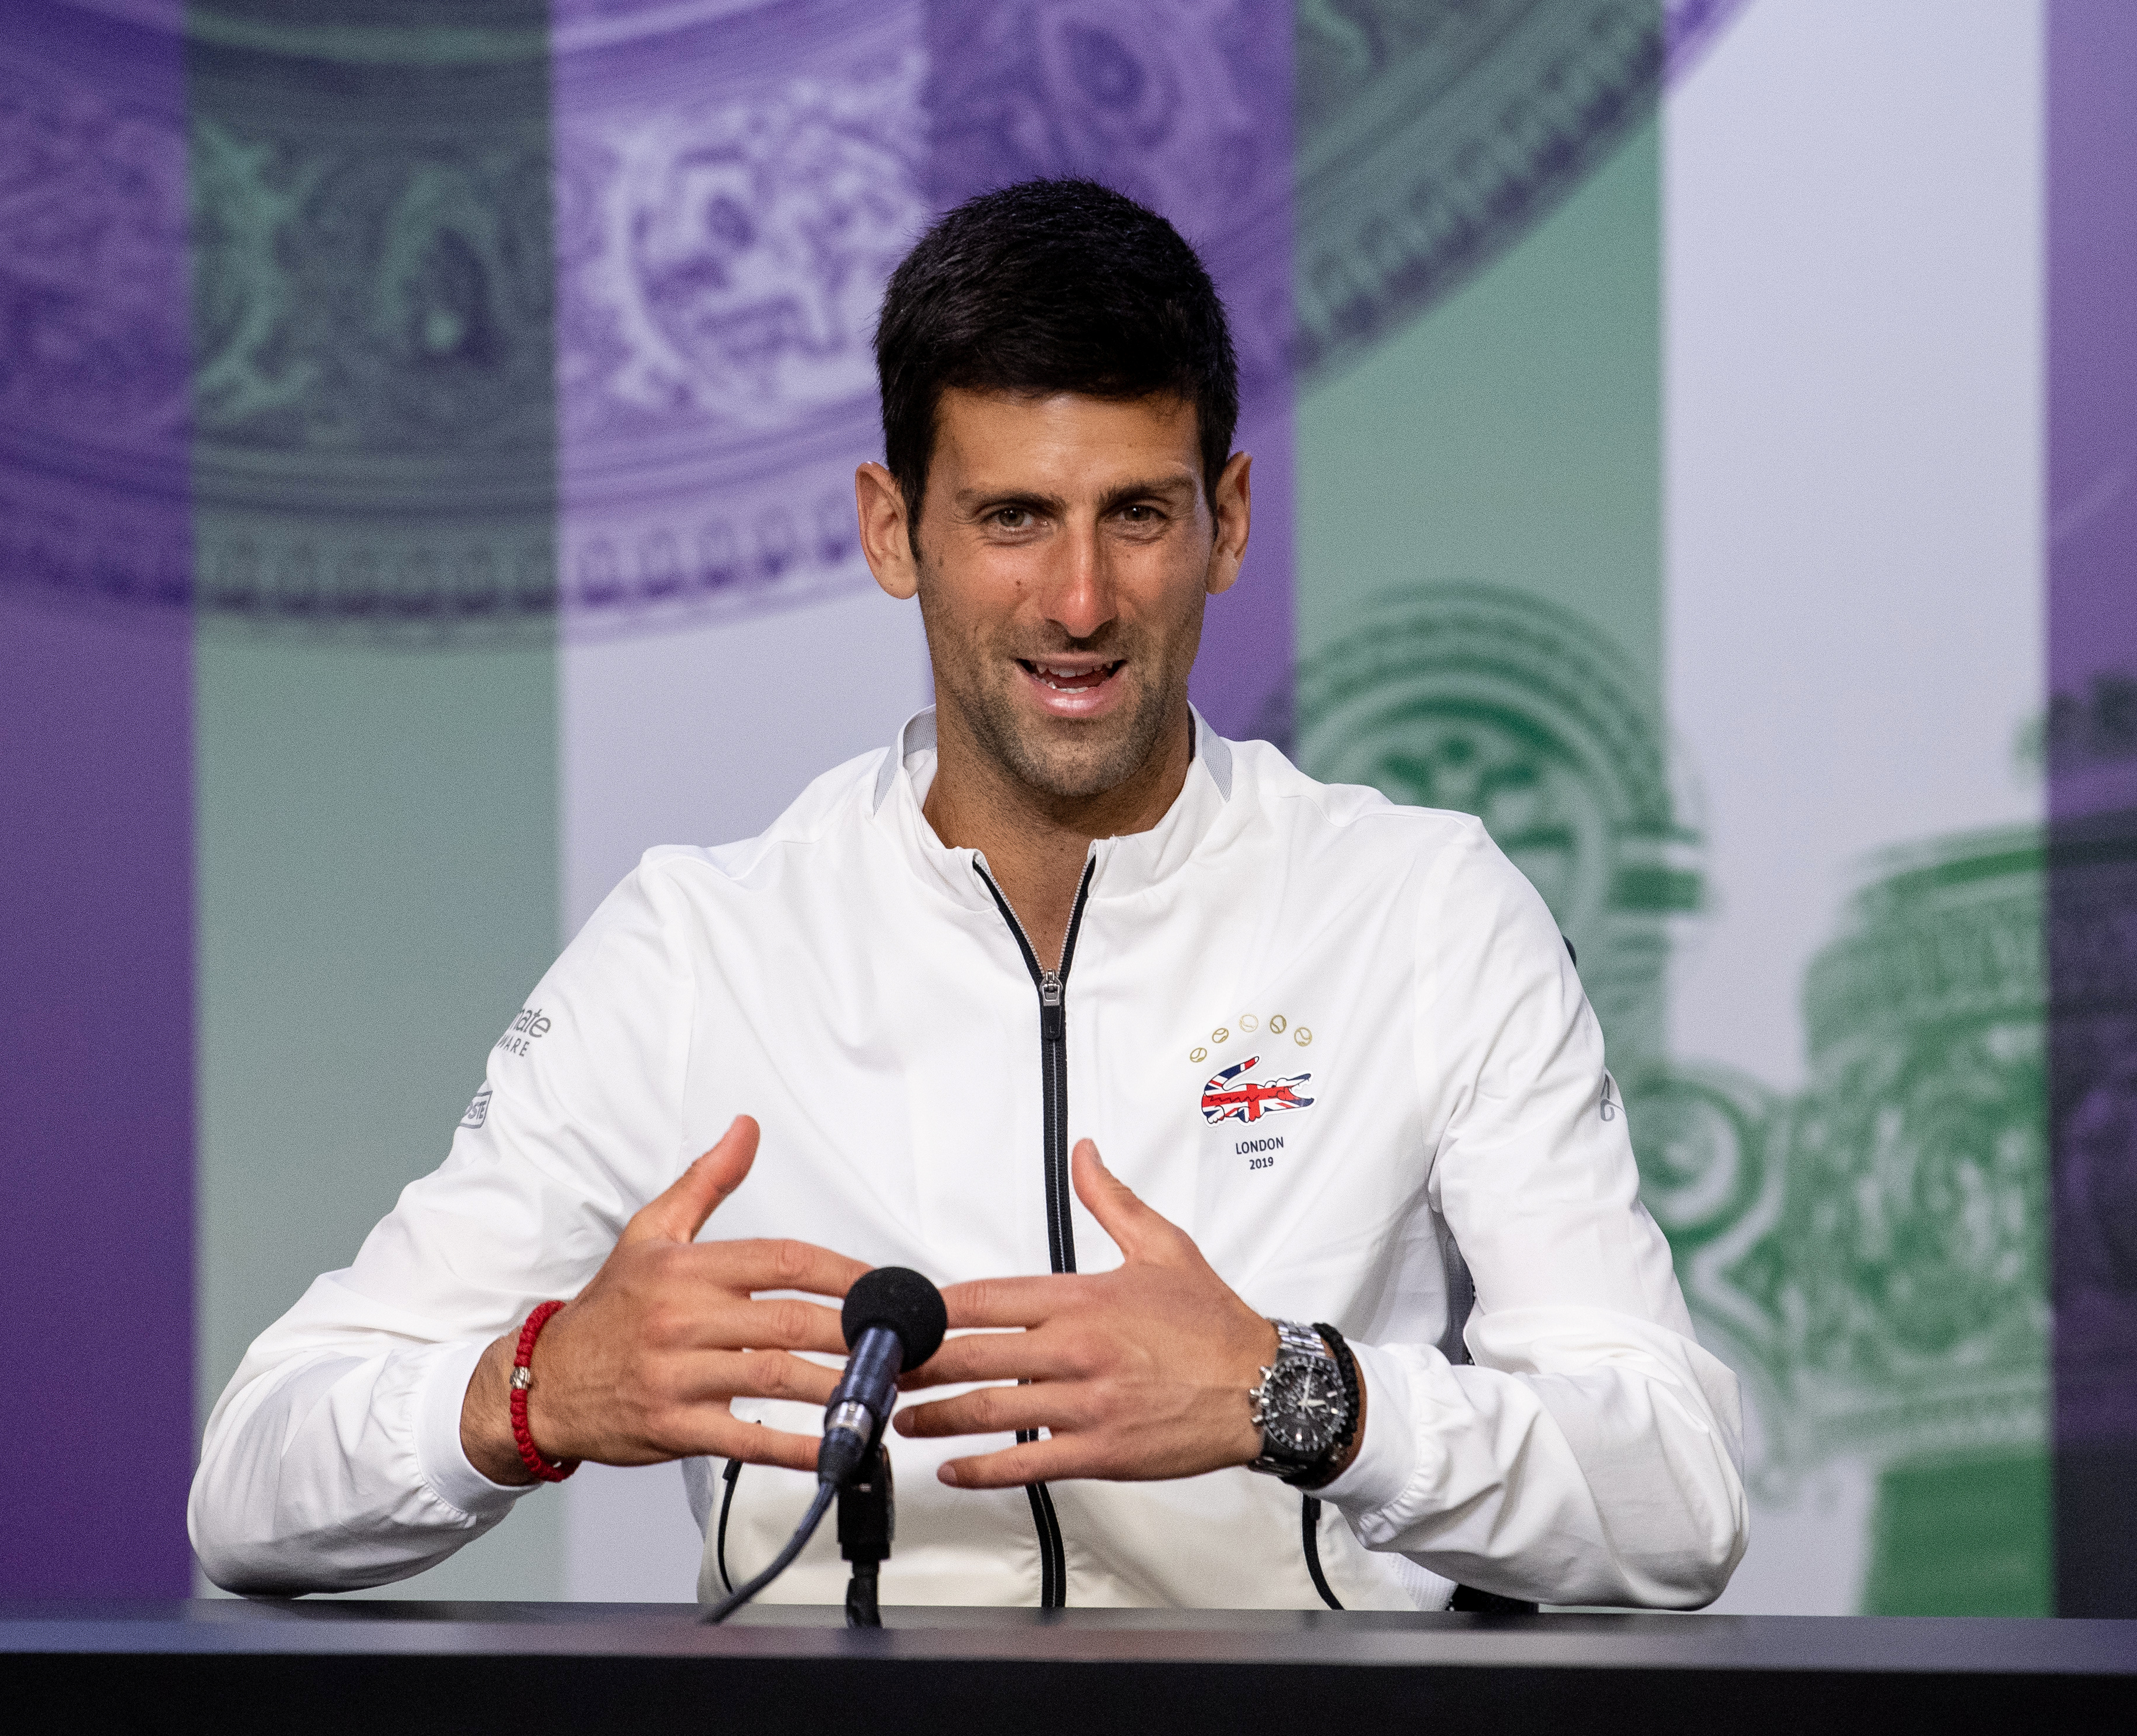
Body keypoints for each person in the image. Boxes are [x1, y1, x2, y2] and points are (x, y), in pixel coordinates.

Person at [189, 179, 1748, 1610]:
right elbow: (252, 1488)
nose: (1079, 602)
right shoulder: (697, 951)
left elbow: (1676, 1498)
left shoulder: (1420, 909)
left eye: (1138, 513)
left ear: (1229, 522)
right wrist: (531, 1393)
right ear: (894, 530)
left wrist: (1304, 1400)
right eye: (1013, 519)